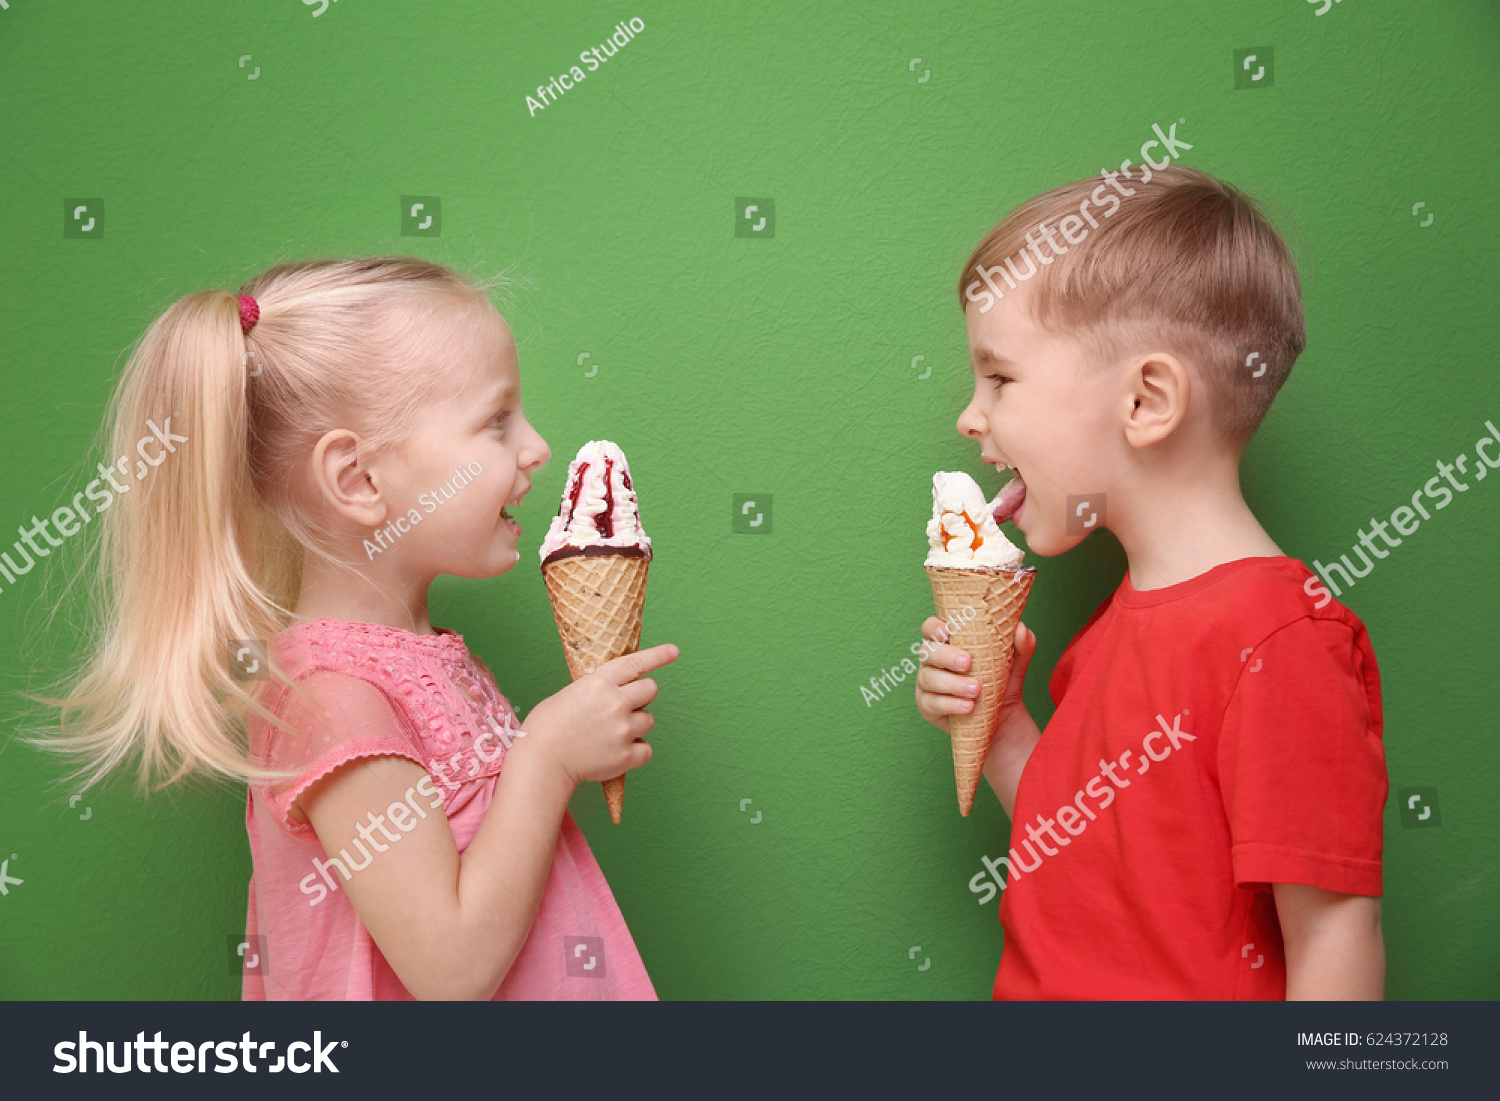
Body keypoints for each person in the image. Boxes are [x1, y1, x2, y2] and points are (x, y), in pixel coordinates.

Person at [37, 257, 675, 999]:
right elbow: (451, 967)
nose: (535, 447)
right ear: (360, 480)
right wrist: (545, 758)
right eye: (496, 420)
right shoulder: (331, 697)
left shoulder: (418, 658)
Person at [915, 165, 1387, 999]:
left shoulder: (1281, 642)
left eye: (1001, 378)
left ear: (1146, 401)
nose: (969, 415)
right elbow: (1082, 853)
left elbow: (1333, 935)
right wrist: (999, 722)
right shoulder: (1111, 628)